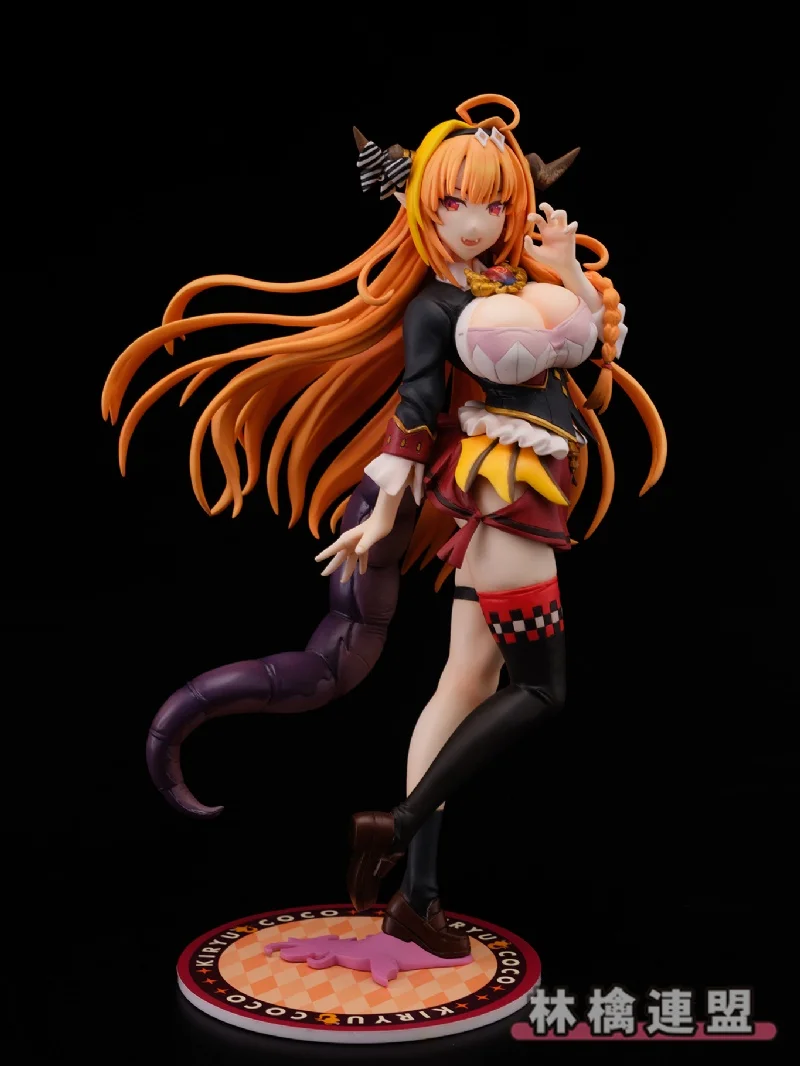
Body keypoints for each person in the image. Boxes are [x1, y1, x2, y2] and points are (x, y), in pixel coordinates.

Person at [102, 93, 665, 959]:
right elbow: (416, 407)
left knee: (463, 684)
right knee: (542, 690)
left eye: (494, 205)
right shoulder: (434, 307)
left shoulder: (515, 281)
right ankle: (395, 824)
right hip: (511, 499)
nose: (475, 222)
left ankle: (419, 899)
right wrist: (386, 508)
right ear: (422, 205)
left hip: (515, 492)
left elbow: (593, 346)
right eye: (454, 202)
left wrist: (564, 266)